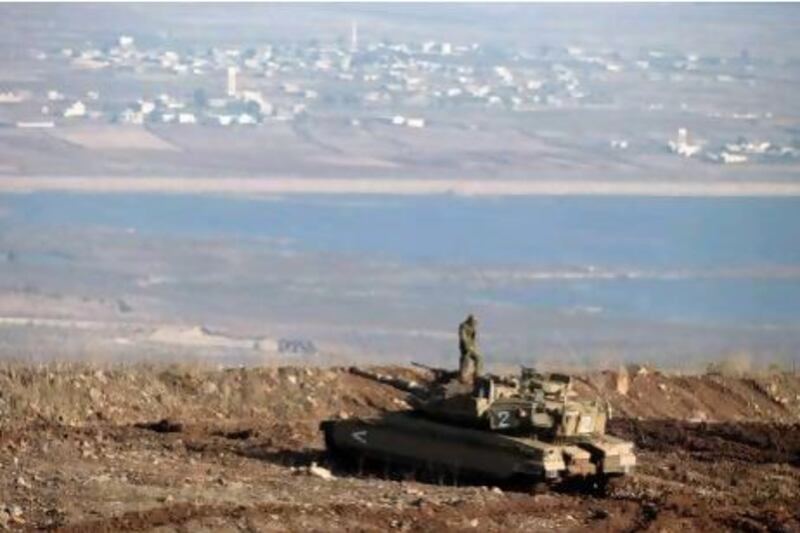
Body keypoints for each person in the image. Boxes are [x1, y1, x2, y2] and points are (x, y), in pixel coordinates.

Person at [458, 314, 483, 382]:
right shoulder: (463, 326)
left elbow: (473, 339)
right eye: (474, 322)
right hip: (465, 347)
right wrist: (468, 347)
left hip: (471, 347)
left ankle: (477, 374)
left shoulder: (472, 328)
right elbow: (463, 338)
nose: (474, 323)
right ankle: (464, 376)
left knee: (479, 358)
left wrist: (473, 347)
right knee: (469, 358)